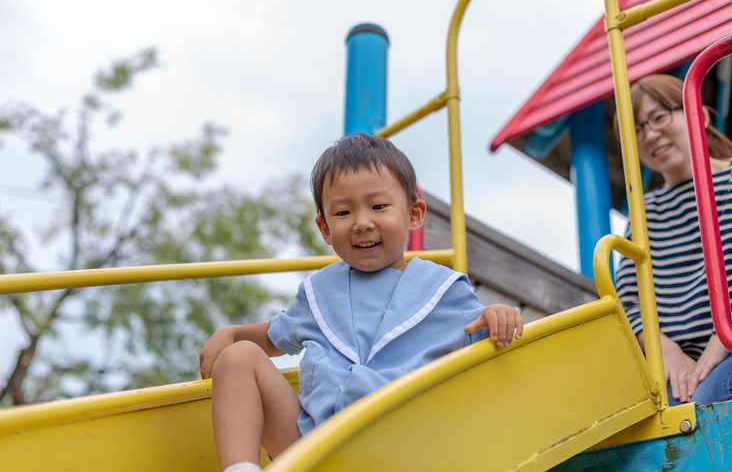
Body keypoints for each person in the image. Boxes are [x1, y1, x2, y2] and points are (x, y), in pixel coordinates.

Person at [199, 133, 524, 472]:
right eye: (343, 212)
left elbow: (480, 332)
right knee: (238, 357)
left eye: (378, 207)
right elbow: (272, 337)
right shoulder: (319, 293)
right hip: (315, 450)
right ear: (325, 229)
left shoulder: (441, 289)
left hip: (403, 451)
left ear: (413, 214)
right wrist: (234, 335)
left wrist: (497, 313)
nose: (362, 222)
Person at [614, 73, 732, 407]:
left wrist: (721, 343)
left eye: (659, 117)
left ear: (698, 115)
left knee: (717, 394)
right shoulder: (644, 216)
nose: (651, 134)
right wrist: (668, 353)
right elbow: (628, 301)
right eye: (637, 131)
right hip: (681, 364)